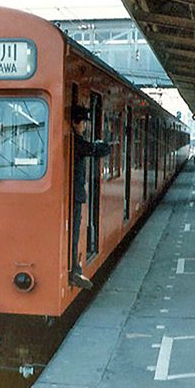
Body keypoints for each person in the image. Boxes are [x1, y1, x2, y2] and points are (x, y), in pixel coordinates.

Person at [70, 106, 110, 290]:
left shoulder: (75, 140)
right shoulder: (76, 141)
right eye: (84, 122)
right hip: (75, 195)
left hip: (74, 193)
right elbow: (98, 150)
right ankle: (74, 270)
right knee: (74, 231)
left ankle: (74, 268)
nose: (85, 126)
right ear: (76, 122)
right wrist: (104, 144)